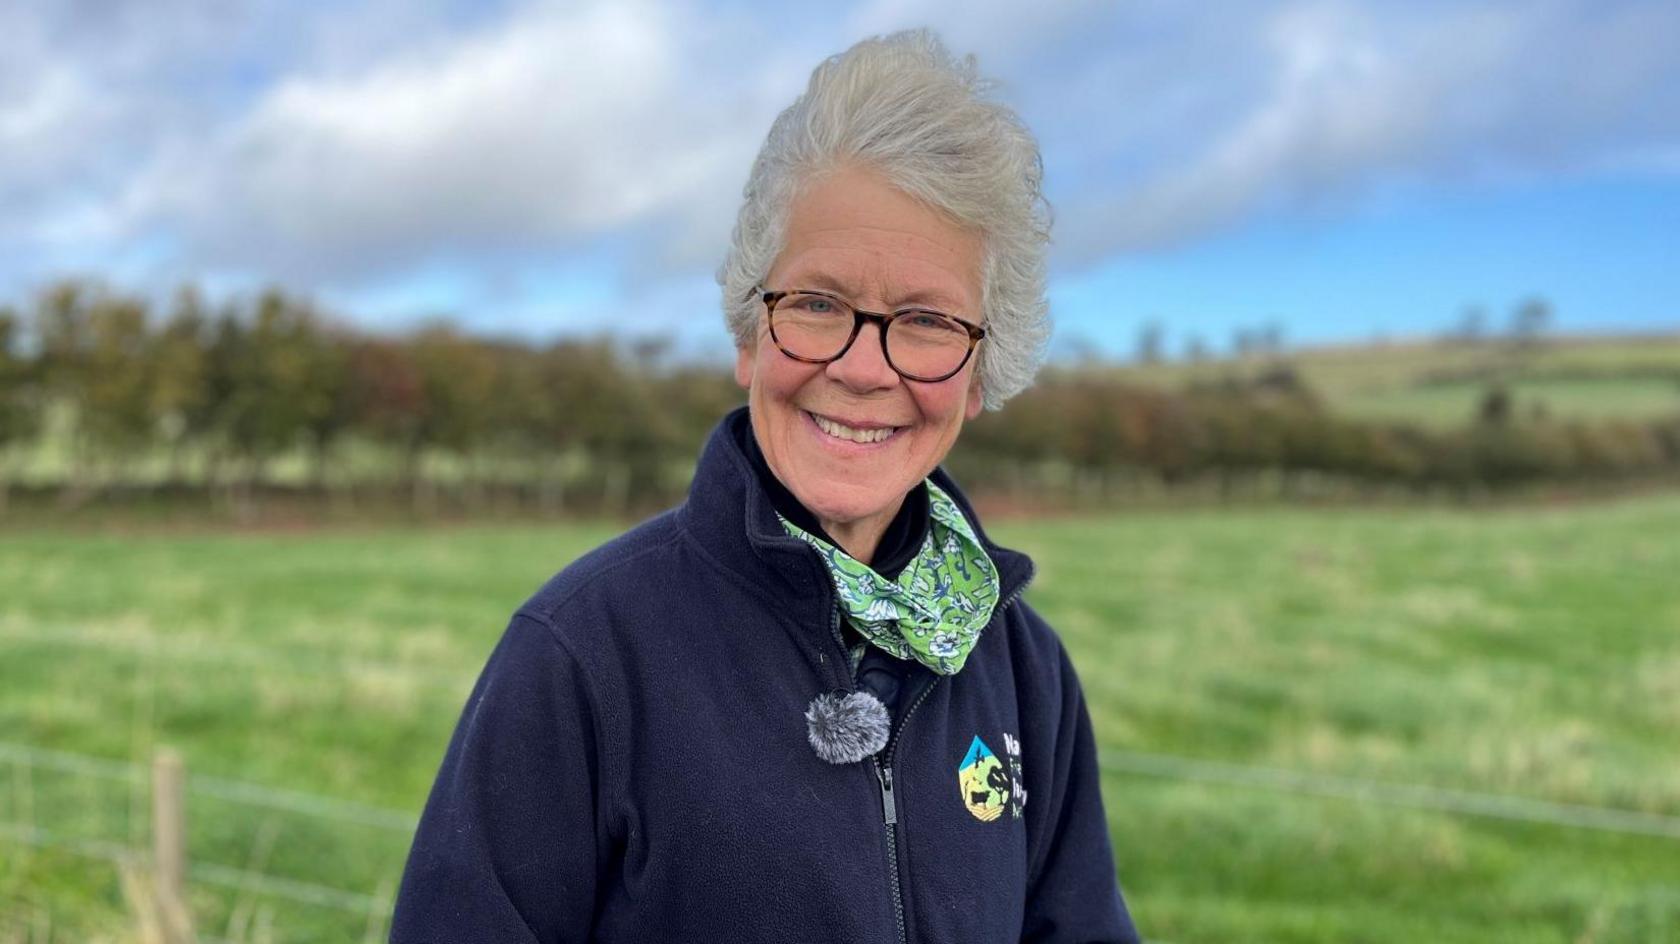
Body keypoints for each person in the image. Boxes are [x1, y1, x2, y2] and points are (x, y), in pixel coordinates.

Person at [391, 29, 1140, 944]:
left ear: (981, 374)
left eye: (926, 321)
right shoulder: (582, 655)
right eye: (818, 304)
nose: (866, 370)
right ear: (749, 331)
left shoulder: (1025, 672)